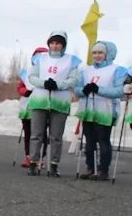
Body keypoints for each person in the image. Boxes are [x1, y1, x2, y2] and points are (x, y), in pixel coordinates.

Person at [27, 30, 81, 177]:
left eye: (58, 43)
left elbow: (73, 79)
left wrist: (58, 85)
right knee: (36, 134)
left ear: (63, 45)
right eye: (52, 43)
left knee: (56, 136)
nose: (55, 46)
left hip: (60, 101)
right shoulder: (40, 58)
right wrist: (44, 83)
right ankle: (33, 162)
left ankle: (54, 164)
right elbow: (31, 76)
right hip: (40, 101)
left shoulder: (72, 60)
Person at [74, 41, 126, 181]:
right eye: (94, 53)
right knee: (89, 141)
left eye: (100, 53)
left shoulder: (117, 70)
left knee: (103, 140)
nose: (97, 56)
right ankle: (90, 167)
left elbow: (118, 91)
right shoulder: (86, 70)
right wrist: (83, 90)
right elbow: (77, 90)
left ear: (107, 54)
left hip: (105, 110)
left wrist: (98, 89)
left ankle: (103, 169)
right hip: (88, 110)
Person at [16, 47, 48, 168]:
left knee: (41, 133)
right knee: (28, 132)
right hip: (27, 107)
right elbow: (20, 87)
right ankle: (28, 155)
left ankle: (40, 156)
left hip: (42, 105)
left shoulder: (48, 72)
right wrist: (25, 92)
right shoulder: (27, 72)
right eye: (37, 57)